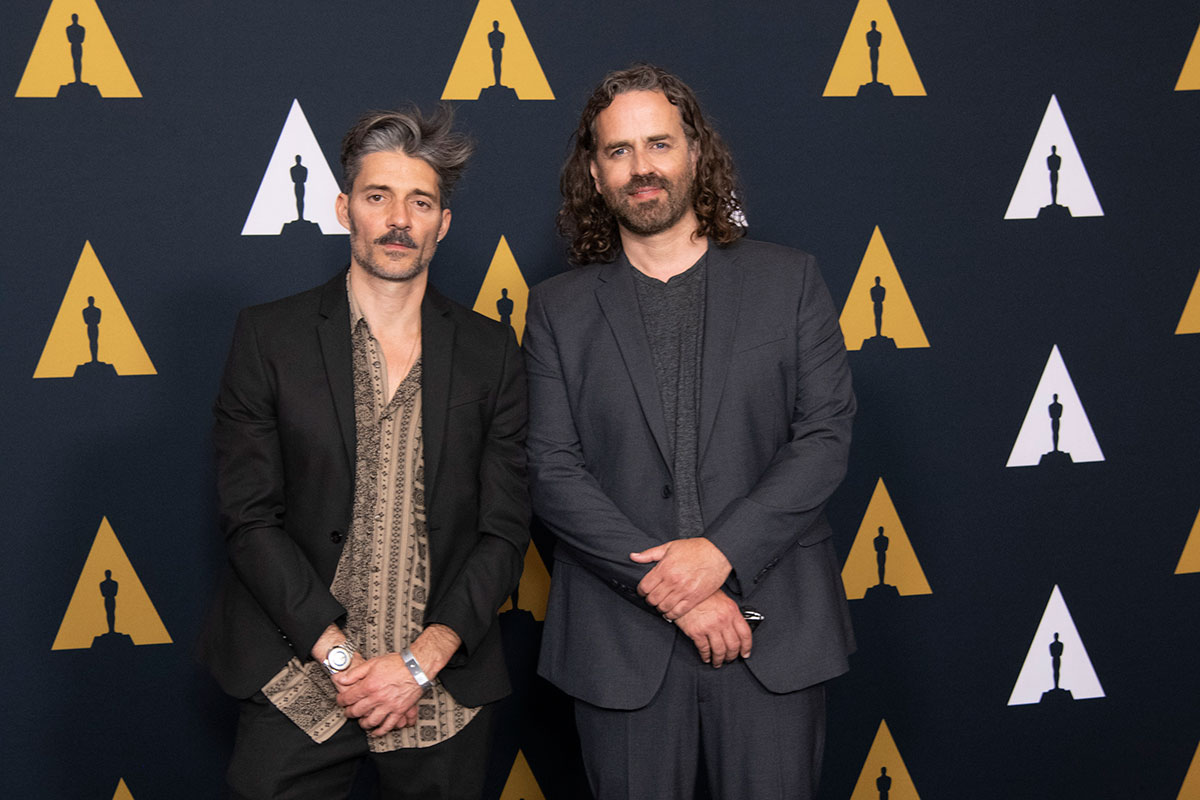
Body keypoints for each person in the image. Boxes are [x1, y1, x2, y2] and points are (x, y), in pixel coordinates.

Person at [525, 64, 856, 799]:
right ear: (594, 172)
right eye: (618, 150)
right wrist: (678, 590)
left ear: (696, 152)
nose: (641, 167)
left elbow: (824, 436)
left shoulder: (790, 280)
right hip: (621, 643)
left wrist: (721, 554)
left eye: (659, 144)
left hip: (774, 631)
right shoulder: (556, 310)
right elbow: (552, 469)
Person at [201, 105, 530, 799]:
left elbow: (504, 531)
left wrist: (419, 662)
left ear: (443, 223)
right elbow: (249, 519)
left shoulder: (491, 352)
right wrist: (343, 660)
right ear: (344, 208)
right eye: (378, 197)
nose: (399, 219)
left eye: (421, 202)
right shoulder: (269, 338)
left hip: (440, 689)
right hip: (299, 678)